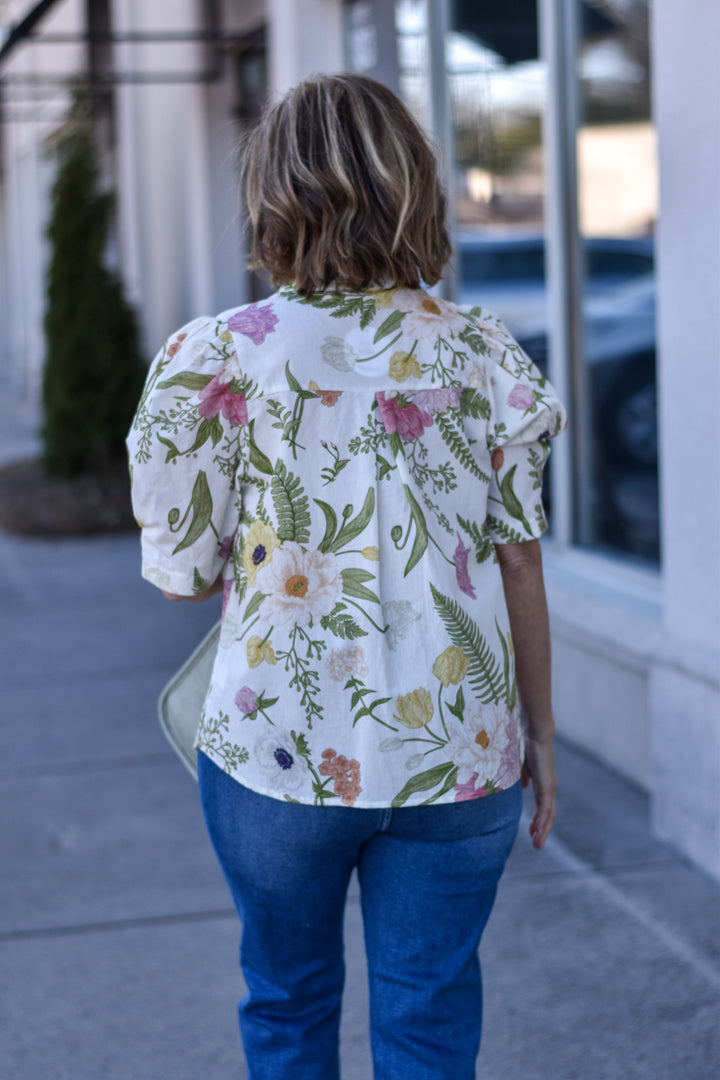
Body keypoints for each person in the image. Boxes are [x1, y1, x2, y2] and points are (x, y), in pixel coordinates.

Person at [127, 73, 566, 1080]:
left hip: (276, 752)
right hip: (461, 751)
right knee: (429, 1021)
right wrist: (539, 735)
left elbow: (184, 581)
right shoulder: (484, 353)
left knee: (286, 1003)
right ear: (413, 182)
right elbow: (521, 559)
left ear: (274, 195)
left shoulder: (215, 359)